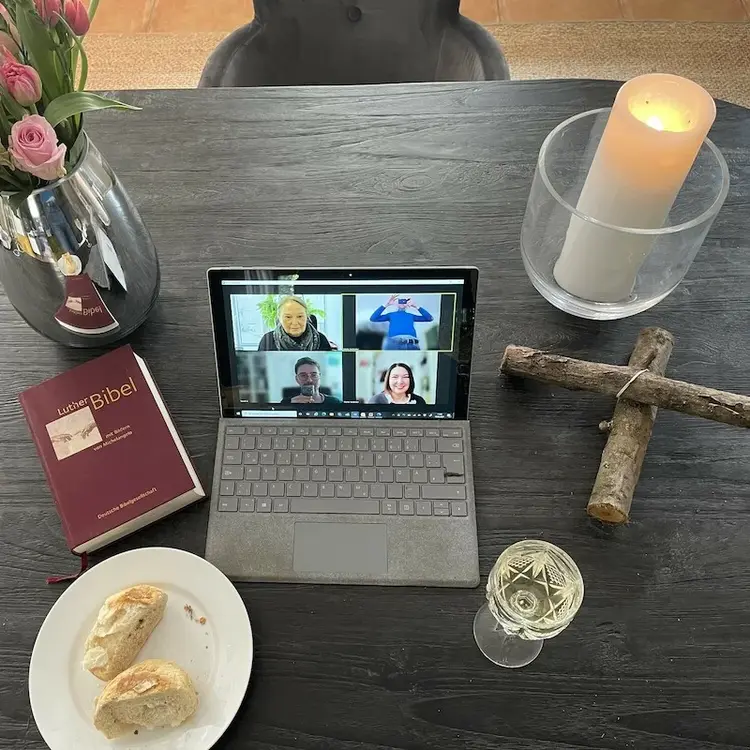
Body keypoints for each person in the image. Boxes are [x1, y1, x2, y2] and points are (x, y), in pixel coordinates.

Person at [258, 296, 333, 351]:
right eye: (288, 317)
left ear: (307, 317)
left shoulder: (321, 340)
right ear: (279, 318)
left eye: (300, 316)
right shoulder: (267, 341)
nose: (294, 323)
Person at [369, 295, 434, 350]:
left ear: (407, 304)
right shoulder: (391, 315)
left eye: (404, 302)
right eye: (400, 301)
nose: (402, 303)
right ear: (396, 304)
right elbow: (373, 318)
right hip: (393, 343)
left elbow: (430, 318)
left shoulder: (411, 316)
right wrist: (386, 304)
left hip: (412, 344)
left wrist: (416, 306)